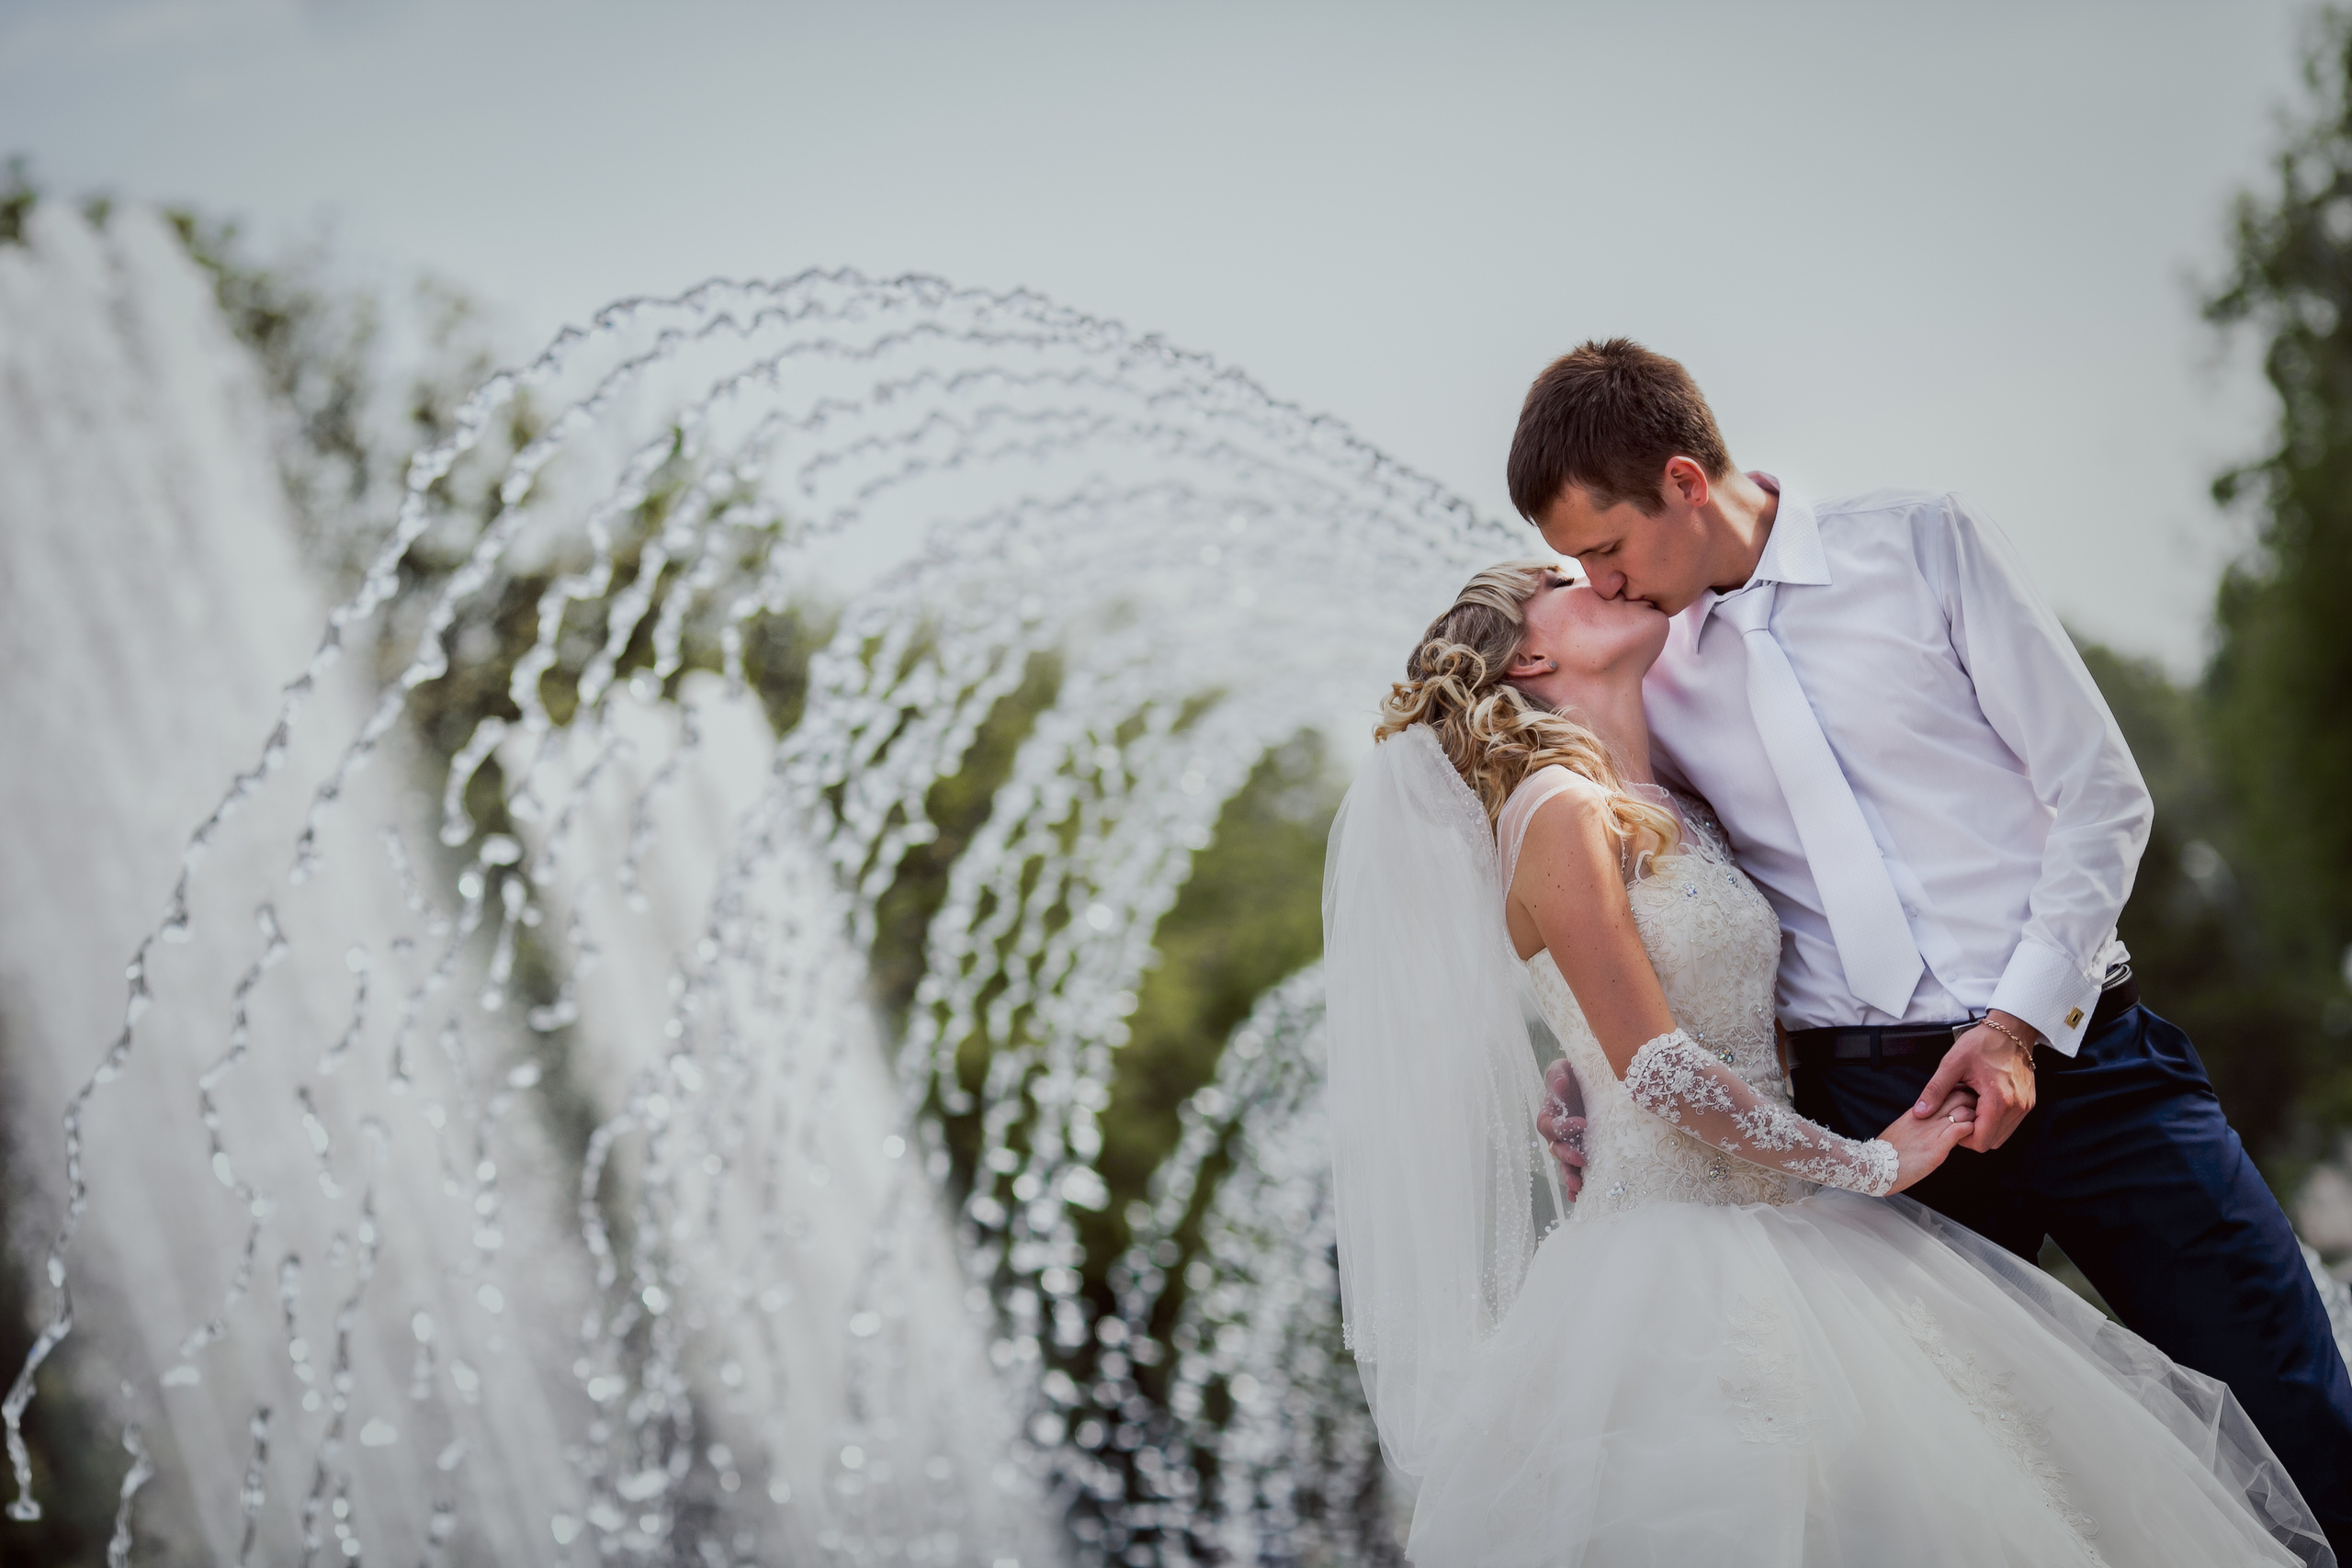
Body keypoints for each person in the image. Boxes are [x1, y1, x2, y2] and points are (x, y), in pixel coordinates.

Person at [1506, 340, 2352, 1553]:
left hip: (2093, 1064)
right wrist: (1597, 1053)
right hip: (1872, 1123)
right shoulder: (1648, 669)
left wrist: (2013, 1025)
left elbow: (2102, 795)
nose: (1600, 584)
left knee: (2298, 1419)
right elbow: (1668, 888)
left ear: (1685, 482)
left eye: (1607, 548)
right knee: (1932, 1501)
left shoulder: (1921, 546)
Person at [1323, 561, 2330, 1563]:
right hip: (1676, 1260)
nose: (1609, 577)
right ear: (1534, 653)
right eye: (1566, 579)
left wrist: (1583, 1063)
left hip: (1794, 1230)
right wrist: (1871, 1165)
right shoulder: (1556, 808)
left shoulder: (1666, 798)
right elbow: (1661, 1069)